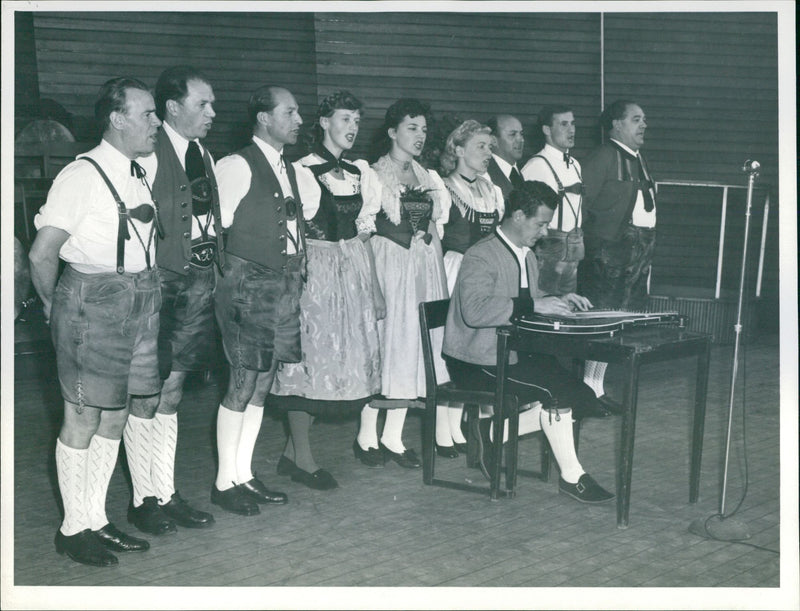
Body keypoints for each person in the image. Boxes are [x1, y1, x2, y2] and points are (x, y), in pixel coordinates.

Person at [29, 77, 162, 566]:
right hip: (92, 301)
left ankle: (96, 517)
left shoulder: (139, 169)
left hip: (140, 298)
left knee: (117, 413)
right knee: (83, 417)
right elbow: (42, 254)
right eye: (146, 114)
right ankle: (72, 527)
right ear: (117, 118)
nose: (155, 123)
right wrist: (52, 308)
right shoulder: (81, 176)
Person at [442, 180, 614, 504]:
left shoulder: (527, 256)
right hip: (477, 360)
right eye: (541, 223)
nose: (545, 231)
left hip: (511, 352)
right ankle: (572, 477)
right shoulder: (480, 255)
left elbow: (529, 299)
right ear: (519, 215)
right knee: (558, 392)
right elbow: (476, 311)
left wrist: (559, 298)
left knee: (582, 394)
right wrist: (535, 304)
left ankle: (494, 431)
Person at [269, 90, 384, 485]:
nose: (352, 128)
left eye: (357, 120)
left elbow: (363, 236)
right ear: (324, 122)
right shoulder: (300, 170)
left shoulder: (361, 173)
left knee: (336, 366)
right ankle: (302, 458)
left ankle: (291, 455)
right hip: (313, 272)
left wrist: (375, 289)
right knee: (308, 364)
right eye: (345, 119)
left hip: (350, 272)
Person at [124, 66, 220, 537]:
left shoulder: (202, 151)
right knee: (146, 392)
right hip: (160, 283)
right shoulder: (149, 153)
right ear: (172, 108)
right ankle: (143, 498)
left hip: (199, 282)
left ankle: (166, 490)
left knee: (175, 390)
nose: (212, 113)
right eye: (203, 104)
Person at [211, 85, 313, 515]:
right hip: (248, 285)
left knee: (263, 382)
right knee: (241, 382)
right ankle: (223, 481)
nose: (299, 120)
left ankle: (244, 474)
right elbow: (218, 234)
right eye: (289, 112)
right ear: (264, 118)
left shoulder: (289, 167)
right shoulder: (235, 165)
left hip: (285, 282)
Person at [357, 98, 451, 469]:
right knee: (386, 345)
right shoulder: (374, 175)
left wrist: (440, 283)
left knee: (412, 348)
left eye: (424, 130)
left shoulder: (428, 177)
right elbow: (363, 233)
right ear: (393, 131)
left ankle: (393, 437)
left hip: (422, 269)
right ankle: (366, 436)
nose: (420, 136)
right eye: (412, 128)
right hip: (389, 267)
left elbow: (432, 229)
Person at [521, 105, 615, 417]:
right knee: (544, 316)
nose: (571, 130)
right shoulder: (536, 165)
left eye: (573, 123)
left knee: (566, 316)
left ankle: (568, 392)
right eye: (563, 124)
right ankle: (538, 394)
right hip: (549, 245)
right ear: (547, 130)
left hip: (573, 244)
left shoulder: (574, 164)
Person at [578, 100, 657, 409]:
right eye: (636, 119)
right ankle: (587, 390)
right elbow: (580, 207)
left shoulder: (638, 158)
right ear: (616, 124)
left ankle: (595, 388)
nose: (644, 125)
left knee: (617, 328)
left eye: (644, 119)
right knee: (600, 326)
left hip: (635, 258)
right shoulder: (603, 157)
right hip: (608, 257)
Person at [437, 119, 505, 456]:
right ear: (459, 149)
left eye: (491, 147)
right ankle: (442, 428)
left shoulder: (492, 190)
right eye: (481, 146)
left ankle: (464, 426)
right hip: (455, 271)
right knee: (453, 347)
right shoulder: (444, 188)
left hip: (485, 277)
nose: (488, 153)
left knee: (479, 347)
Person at [485, 114, 526, 200]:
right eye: (512, 134)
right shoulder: (484, 174)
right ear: (493, 140)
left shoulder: (520, 172)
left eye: (521, 134)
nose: (521, 139)